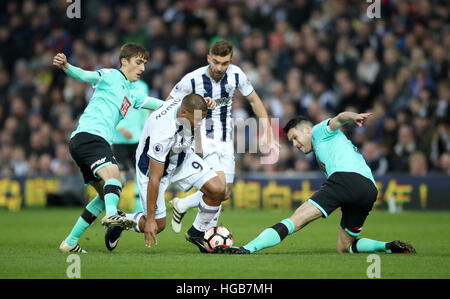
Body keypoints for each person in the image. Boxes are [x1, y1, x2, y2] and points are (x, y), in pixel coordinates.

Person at [213, 111, 416, 255]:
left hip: (344, 180)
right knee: (344, 247)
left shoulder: (319, 131)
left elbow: (338, 119)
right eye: (291, 141)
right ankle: (388, 246)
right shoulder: (325, 148)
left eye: (295, 137)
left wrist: (352, 117)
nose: (295, 144)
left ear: (307, 129)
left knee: (295, 221)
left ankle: (247, 248)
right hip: (369, 189)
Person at [54, 43, 166, 253]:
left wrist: (189, 103)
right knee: (115, 177)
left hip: (84, 142)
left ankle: (70, 242)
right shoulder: (112, 75)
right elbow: (85, 76)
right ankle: (113, 215)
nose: (142, 68)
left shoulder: (132, 95)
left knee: (104, 195)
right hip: (91, 136)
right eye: (138, 62)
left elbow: (161, 104)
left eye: (145, 64)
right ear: (124, 61)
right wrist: (67, 66)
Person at [166, 40, 280, 245]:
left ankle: (183, 205)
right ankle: (203, 234)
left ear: (230, 61)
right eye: (216, 62)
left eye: (224, 63)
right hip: (201, 140)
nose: (220, 68)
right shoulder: (191, 80)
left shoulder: (237, 75)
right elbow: (168, 105)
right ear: (208, 58)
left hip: (225, 140)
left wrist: (268, 132)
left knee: (225, 193)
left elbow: (254, 101)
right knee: (217, 188)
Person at [104, 93, 223, 252]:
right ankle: (122, 221)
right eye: (197, 120)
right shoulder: (163, 131)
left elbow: (197, 104)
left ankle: (197, 233)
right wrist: (150, 220)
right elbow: (155, 177)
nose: (200, 123)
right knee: (156, 225)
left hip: (180, 156)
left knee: (218, 190)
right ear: (183, 113)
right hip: (152, 168)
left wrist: (207, 102)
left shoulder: (189, 107)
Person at [112, 79, 151, 213]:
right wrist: (120, 127)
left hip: (137, 138)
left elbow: (144, 110)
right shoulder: (116, 84)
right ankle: (109, 208)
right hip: (119, 139)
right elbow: (112, 108)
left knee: (138, 173)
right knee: (118, 175)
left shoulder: (142, 85)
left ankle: (138, 210)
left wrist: (145, 130)